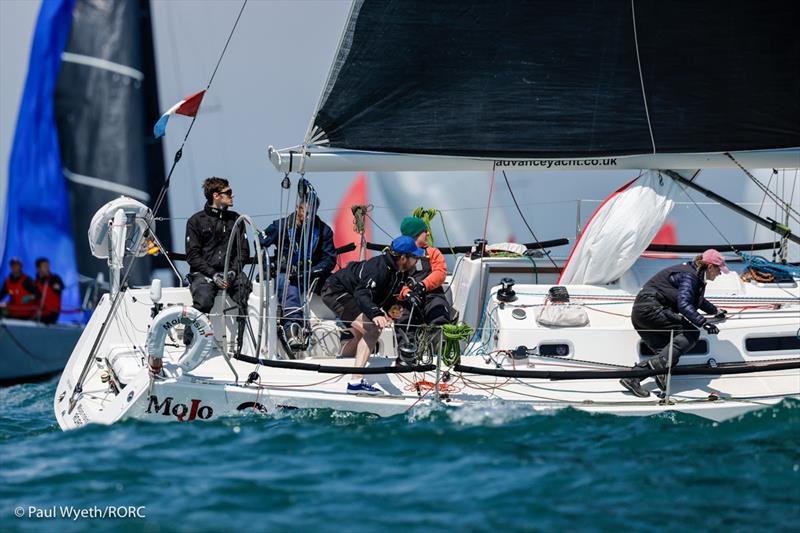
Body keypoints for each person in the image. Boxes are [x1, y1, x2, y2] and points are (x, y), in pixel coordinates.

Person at [321, 235, 424, 395]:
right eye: (415, 257)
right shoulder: (378, 268)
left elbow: (390, 297)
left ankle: (343, 362)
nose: (417, 260)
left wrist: (394, 312)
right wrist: (376, 313)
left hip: (353, 294)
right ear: (403, 258)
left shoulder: (401, 272)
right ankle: (355, 382)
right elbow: (362, 294)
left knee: (360, 335)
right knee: (372, 330)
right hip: (337, 291)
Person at [620, 249, 729, 398]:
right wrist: (704, 323)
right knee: (691, 333)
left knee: (667, 355)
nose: (720, 274)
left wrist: (715, 310)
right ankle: (658, 368)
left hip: (641, 313)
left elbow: (697, 300)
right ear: (710, 267)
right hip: (652, 309)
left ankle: (632, 378)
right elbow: (684, 304)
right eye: (719, 270)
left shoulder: (693, 274)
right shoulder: (690, 276)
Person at [260, 197, 336, 349]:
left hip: (311, 274)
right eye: (306, 212)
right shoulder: (281, 225)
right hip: (286, 273)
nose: (308, 217)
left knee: (336, 284)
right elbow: (261, 241)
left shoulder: (323, 230)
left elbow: (329, 260)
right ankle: (292, 328)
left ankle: (344, 323)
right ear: (298, 208)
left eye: (312, 213)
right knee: (289, 287)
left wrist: (311, 272)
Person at [184, 177, 251, 346]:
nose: (232, 195)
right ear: (216, 196)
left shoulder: (236, 220)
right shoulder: (195, 221)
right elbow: (192, 256)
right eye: (228, 192)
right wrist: (213, 275)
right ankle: (189, 341)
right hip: (205, 273)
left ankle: (244, 343)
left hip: (231, 272)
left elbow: (243, 251)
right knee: (204, 298)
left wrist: (233, 271)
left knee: (246, 295)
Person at [396, 216, 451, 327]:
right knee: (400, 318)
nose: (428, 234)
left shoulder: (433, 252)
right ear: (415, 235)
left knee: (439, 315)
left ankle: (437, 342)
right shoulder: (398, 254)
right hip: (406, 300)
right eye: (425, 231)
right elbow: (392, 280)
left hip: (432, 296)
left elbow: (440, 272)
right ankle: (405, 343)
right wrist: (406, 293)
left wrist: (423, 285)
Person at [34, 258, 63, 324]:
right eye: (45, 266)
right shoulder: (36, 282)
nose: (47, 268)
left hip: (52, 314)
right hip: (39, 314)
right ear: (38, 269)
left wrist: (52, 283)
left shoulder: (55, 278)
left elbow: (60, 287)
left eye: (48, 266)